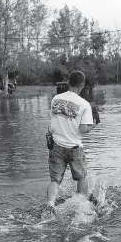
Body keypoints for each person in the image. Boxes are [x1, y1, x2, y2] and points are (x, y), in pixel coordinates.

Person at [43, 71, 98, 217]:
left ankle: (50, 205)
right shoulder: (84, 104)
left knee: (55, 180)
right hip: (74, 148)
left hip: (56, 145)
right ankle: (80, 206)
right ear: (82, 85)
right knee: (82, 177)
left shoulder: (55, 99)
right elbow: (83, 129)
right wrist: (93, 125)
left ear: (68, 82)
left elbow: (56, 120)